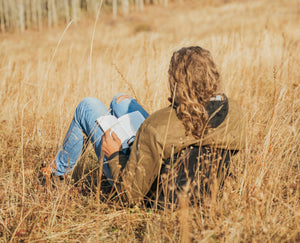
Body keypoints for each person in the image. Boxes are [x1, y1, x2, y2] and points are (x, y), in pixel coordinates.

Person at [43, 46, 245, 206]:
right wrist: (178, 105)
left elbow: (131, 194)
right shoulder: (234, 112)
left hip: (145, 184)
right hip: (175, 162)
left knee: (87, 106)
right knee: (120, 100)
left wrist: (114, 155)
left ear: (176, 83)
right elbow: (193, 131)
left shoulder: (155, 126)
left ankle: (56, 173)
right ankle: (116, 128)